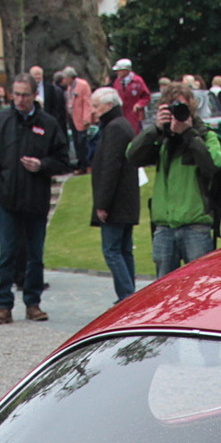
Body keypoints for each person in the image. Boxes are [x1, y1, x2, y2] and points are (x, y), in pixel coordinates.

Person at [0, 75, 72, 323]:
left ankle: (33, 302)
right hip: (7, 200)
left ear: (34, 96)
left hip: (35, 198)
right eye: (16, 94)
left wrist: (42, 165)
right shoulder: (0, 121)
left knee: (35, 254)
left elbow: (64, 160)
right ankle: (4, 304)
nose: (20, 100)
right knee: (8, 252)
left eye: (25, 95)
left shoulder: (48, 124)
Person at [127, 84, 221, 276]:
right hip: (165, 227)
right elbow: (132, 156)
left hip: (195, 225)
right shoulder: (161, 138)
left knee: (200, 286)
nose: (177, 112)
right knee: (163, 292)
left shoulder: (204, 135)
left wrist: (188, 133)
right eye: (171, 107)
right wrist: (155, 129)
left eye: (182, 106)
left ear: (192, 108)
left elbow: (213, 165)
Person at [87, 87, 139, 302]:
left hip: (117, 203)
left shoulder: (114, 127)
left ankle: (127, 297)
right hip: (124, 202)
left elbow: (111, 167)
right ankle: (129, 295)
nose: (94, 110)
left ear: (109, 105)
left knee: (113, 250)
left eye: (97, 106)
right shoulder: (121, 124)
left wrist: (102, 204)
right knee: (123, 250)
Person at [112, 59, 153, 130]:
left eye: (119, 70)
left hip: (135, 116)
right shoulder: (117, 82)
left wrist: (139, 104)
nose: (117, 72)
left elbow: (146, 96)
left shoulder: (137, 81)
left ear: (126, 70)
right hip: (122, 115)